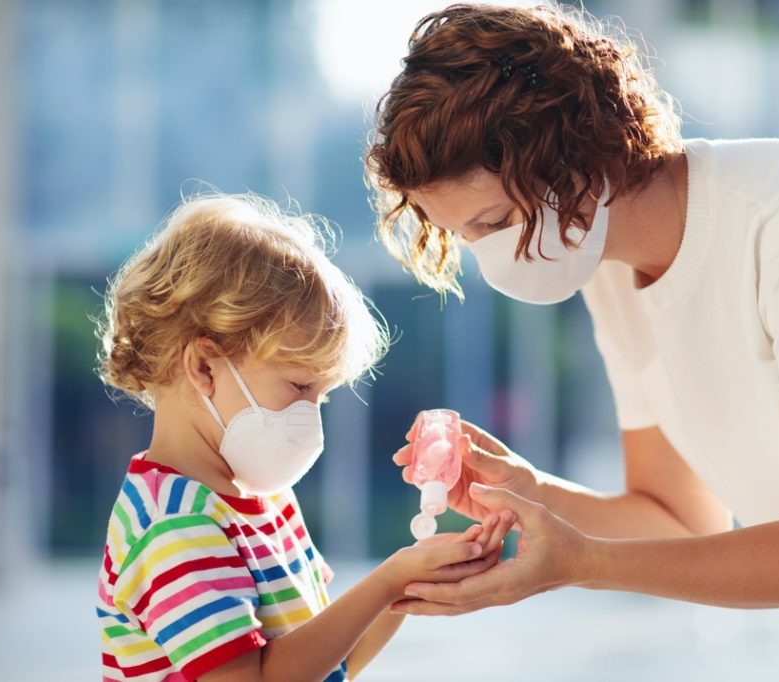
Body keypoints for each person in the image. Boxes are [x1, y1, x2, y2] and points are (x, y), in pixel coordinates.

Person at [365, 4, 779, 679]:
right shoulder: (610, 273)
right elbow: (680, 520)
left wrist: (582, 565)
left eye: (495, 221)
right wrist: (530, 492)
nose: (490, 259)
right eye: (464, 237)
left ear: (572, 150)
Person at [94, 194, 515, 682]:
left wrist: (411, 581)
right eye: (299, 386)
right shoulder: (173, 525)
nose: (311, 416)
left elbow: (331, 664)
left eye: (323, 395)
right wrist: (387, 580)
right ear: (203, 366)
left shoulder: (265, 498)